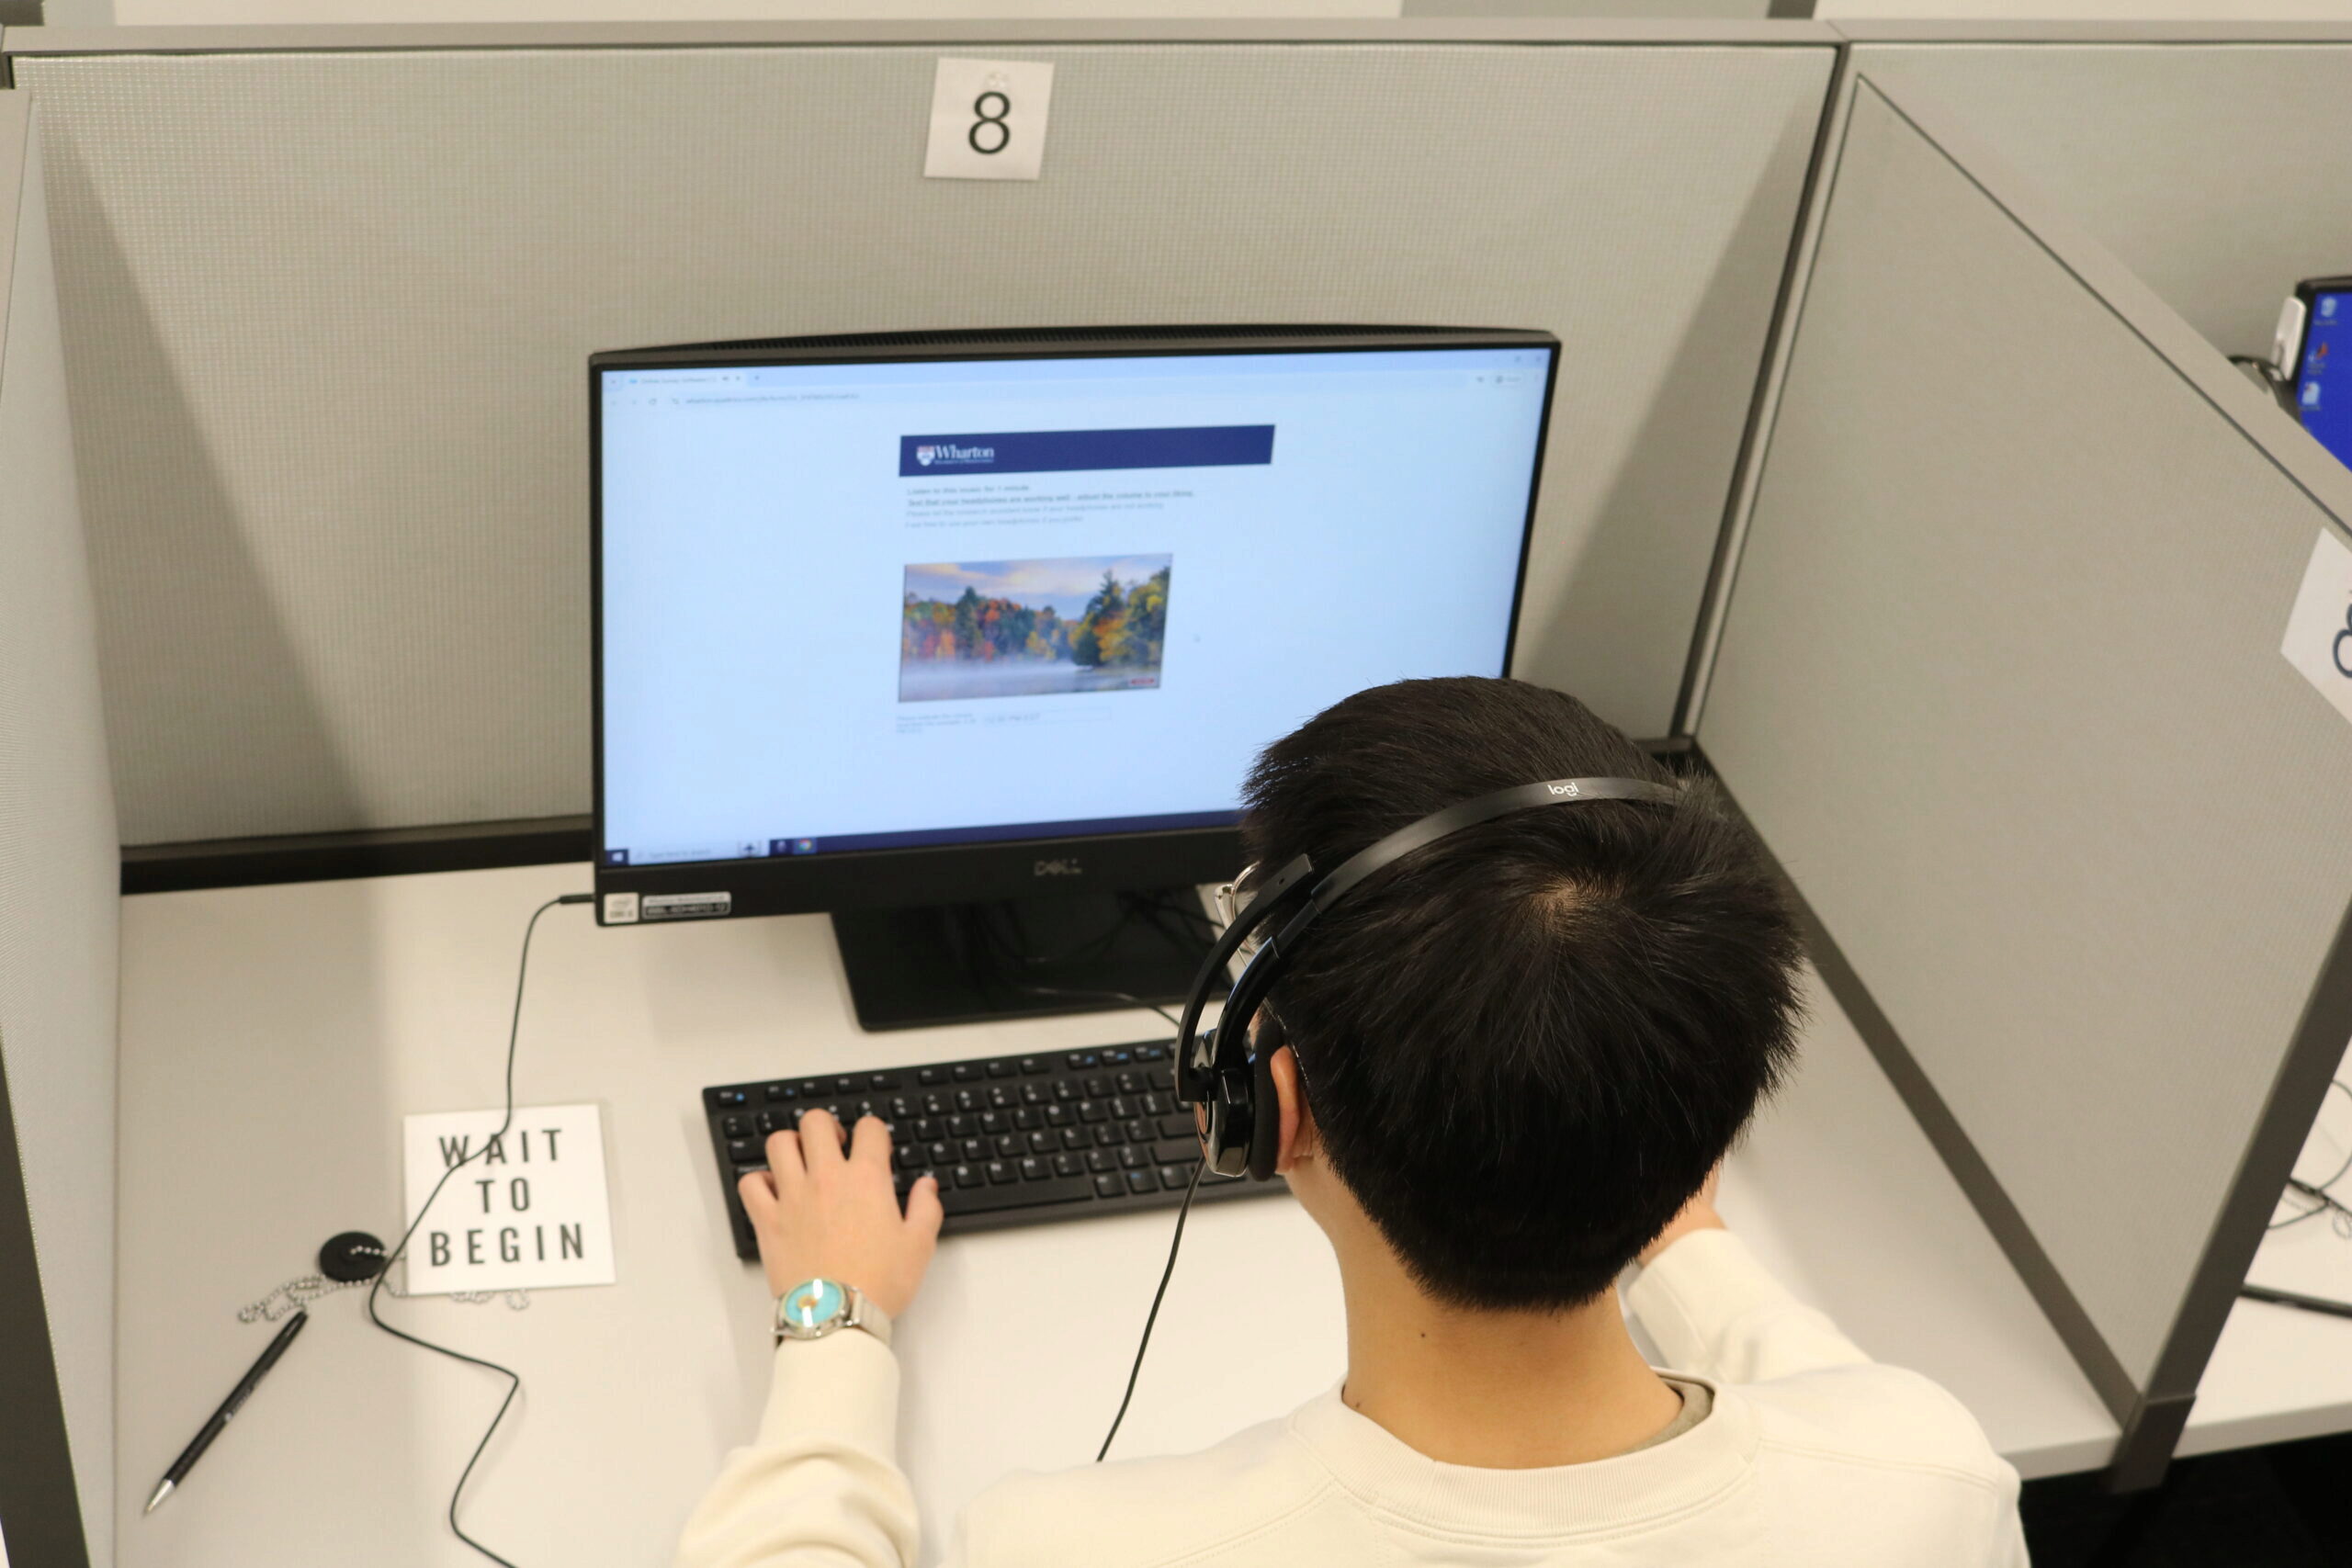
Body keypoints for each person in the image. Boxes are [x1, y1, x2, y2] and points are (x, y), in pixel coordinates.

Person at [674, 676, 2027, 1567]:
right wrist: (1676, 1218)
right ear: (1719, 1117)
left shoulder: (1076, 1548)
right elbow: (1822, 1392)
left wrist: (833, 1325)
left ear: (1274, 1108)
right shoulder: (1933, 1480)